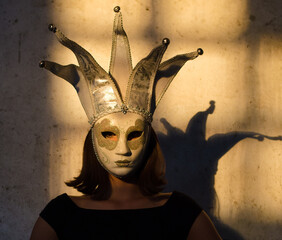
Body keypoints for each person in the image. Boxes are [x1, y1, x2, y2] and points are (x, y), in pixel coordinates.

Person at [31, 6, 222, 240]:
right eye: (109, 134)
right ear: (92, 139)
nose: (123, 149)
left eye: (134, 135)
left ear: (150, 139)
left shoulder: (183, 213)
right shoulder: (59, 215)